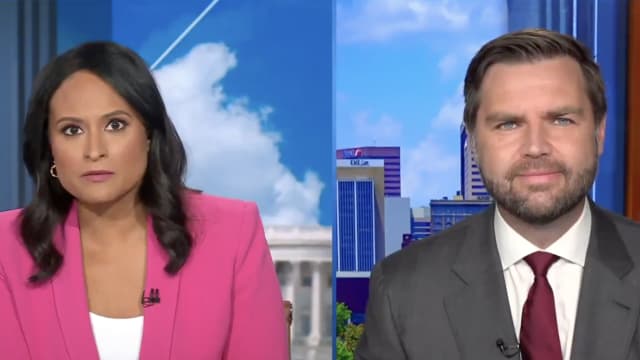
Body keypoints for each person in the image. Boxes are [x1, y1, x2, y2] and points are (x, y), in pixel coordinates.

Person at [355, 28, 640, 360]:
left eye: (561, 120)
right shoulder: (402, 290)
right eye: (508, 124)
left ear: (599, 132)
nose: (536, 147)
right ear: (473, 143)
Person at [0, 41, 289, 359]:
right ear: (49, 146)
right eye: (71, 130)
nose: (94, 150)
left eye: (115, 125)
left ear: (149, 135)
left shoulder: (232, 233)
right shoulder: (6, 247)